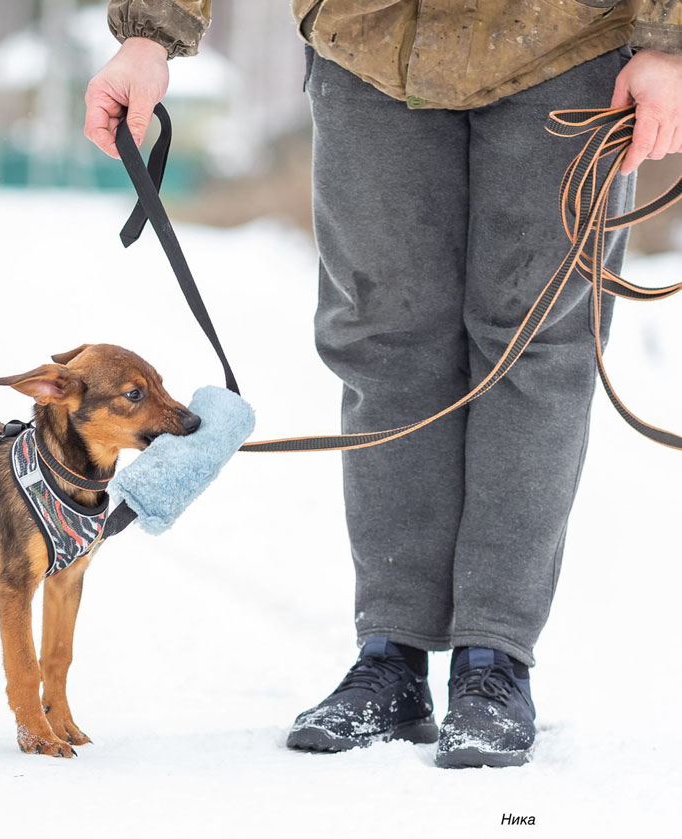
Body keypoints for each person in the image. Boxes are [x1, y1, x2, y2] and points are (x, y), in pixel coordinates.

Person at [84, 1, 682, 768]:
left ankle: (493, 663)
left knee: (532, 349)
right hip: (370, 45)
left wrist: (668, 39)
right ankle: (392, 657)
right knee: (383, 346)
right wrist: (149, 33)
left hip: (567, 41)